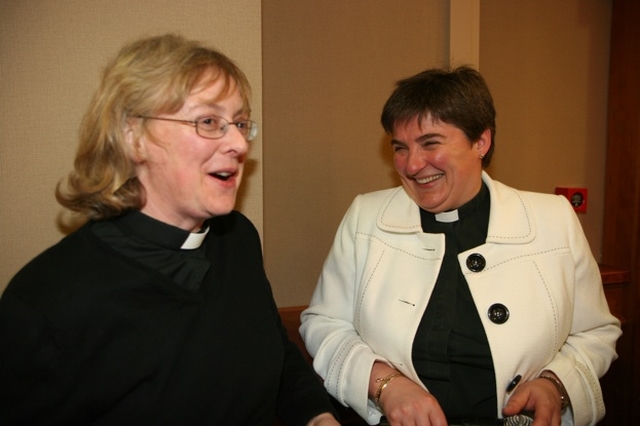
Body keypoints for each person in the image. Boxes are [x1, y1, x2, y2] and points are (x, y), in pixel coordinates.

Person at [0, 34, 339, 426]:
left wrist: (316, 416)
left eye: (240, 123)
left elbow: (275, 353)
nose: (238, 143)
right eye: (209, 121)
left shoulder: (237, 238)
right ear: (134, 136)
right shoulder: (45, 302)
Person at [299, 66, 621, 426]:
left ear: (480, 141)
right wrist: (385, 384)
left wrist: (556, 384)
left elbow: (595, 332)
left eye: (430, 143)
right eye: (400, 148)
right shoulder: (366, 216)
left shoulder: (552, 219)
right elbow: (324, 323)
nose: (412, 165)